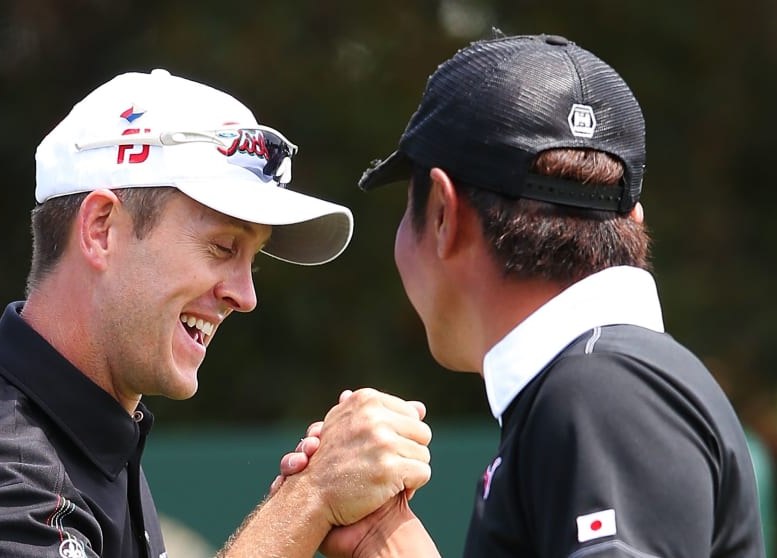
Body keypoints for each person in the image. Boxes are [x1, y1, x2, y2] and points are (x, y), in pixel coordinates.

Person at [0, 69, 433, 558]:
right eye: (221, 247)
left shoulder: (93, 437)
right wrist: (309, 500)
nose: (244, 295)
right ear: (101, 230)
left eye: (252, 260)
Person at [279, 33, 767, 556]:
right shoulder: (606, 381)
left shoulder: (598, 391)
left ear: (442, 214)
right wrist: (384, 543)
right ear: (632, 223)